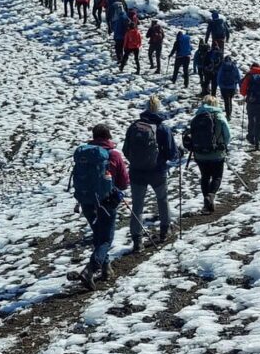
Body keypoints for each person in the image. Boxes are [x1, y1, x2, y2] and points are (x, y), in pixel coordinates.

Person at [66, 124, 130, 289]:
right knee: (106, 239)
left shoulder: (84, 156)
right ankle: (90, 270)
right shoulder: (113, 155)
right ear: (108, 137)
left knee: (97, 235)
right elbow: (123, 183)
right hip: (106, 202)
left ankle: (106, 269)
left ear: (94, 137)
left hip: (86, 200)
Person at [123, 95, 179, 250]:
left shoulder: (134, 126)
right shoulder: (162, 128)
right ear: (159, 108)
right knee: (162, 199)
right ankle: (164, 231)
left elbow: (126, 150)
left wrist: (136, 161)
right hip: (157, 171)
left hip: (136, 172)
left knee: (137, 206)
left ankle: (137, 241)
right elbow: (171, 153)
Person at [185, 96, 231, 213]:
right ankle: (210, 196)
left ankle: (207, 204)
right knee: (217, 176)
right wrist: (223, 145)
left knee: (205, 176)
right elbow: (227, 135)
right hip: (217, 153)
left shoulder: (197, 117)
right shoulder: (219, 117)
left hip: (200, 154)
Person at [217, 55, 241, 121]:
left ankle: (228, 114)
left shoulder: (222, 66)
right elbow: (238, 76)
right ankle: (229, 113)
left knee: (226, 101)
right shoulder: (234, 66)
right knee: (230, 99)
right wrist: (239, 85)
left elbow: (219, 76)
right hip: (232, 87)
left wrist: (219, 85)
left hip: (224, 87)